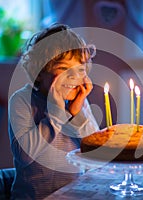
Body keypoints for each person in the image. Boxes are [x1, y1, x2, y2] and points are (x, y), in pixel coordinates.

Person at [8, 23, 99, 199]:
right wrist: (56, 112)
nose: (73, 77)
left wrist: (76, 114)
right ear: (40, 72)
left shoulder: (79, 103)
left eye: (80, 70)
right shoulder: (22, 100)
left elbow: (95, 153)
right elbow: (25, 156)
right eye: (64, 69)